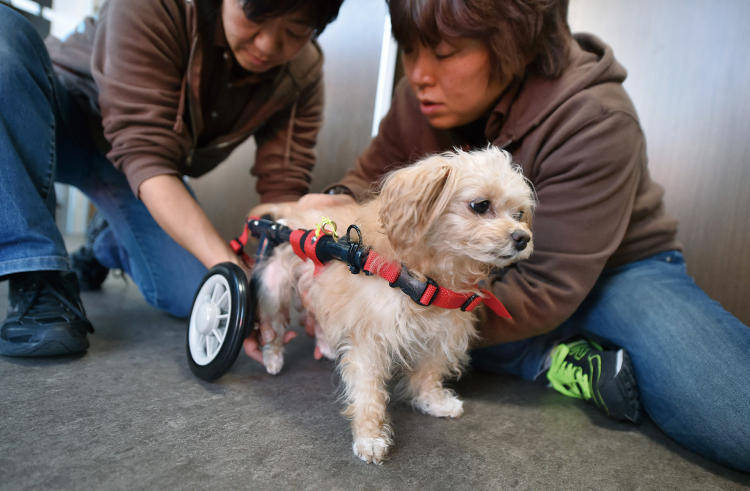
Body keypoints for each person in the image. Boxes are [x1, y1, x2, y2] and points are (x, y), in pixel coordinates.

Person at [253, 0, 750, 472]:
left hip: (621, 272)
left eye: (444, 53)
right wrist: (331, 211)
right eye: (410, 50)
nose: (419, 73)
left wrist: (402, 307)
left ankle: (540, 352)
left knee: (733, 418)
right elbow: (367, 185)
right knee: (406, 317)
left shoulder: (595, 115)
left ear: (511, 42)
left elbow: (546, 289)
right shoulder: (422, 97)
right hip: (469, 277)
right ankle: (552, 357)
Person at [0, 0, 344, 357]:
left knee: (194, 290)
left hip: (130, 168)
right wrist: (233, 272)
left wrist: (291, 280)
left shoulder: (300, 73)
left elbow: (283, 191)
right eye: (255, 17)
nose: (267, 46)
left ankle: (109, 238)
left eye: (294, 32)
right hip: (52, 116)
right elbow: (147, 153)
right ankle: (37, 271)